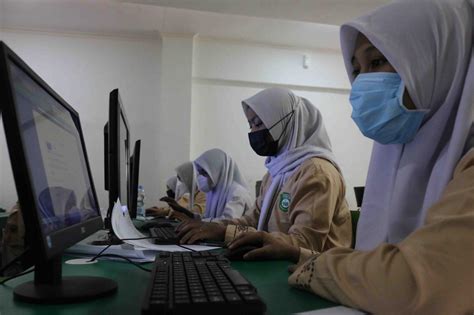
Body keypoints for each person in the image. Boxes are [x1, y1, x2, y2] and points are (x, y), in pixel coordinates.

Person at [231, 0, 474, 313]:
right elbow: (379, 262)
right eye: (356, 70)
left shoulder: (316, 171)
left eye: (376, 63)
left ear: (436, 61)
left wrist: (314, 267)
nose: (360, 84)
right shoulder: (393, 159)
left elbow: (413, 284)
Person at [177, 87, 352, 252]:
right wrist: (215, 227)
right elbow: (252, 220)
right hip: (278, 265)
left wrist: (224, 233)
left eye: (259, 124)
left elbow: (304, 243)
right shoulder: (275, 173)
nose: (253, 132)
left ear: (286, 123)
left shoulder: (316, 173)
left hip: (311, 274)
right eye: (250, 125)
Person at [193, 148, 252, 222]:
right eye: (200, 173)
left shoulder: (238, 192)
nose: (202, 177)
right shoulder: (214, 191)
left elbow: (228, 221)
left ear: (217, 171)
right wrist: (191, 217)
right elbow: (208, 217)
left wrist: (199, 222)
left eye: (205, 173)